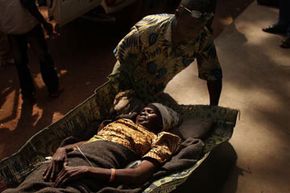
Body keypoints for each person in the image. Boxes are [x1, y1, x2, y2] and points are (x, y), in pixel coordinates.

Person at [3, 103, 182, 193]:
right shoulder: (117, 123)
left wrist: (87, 171)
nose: (144, 112)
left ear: (162, 122)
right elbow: (91, 142)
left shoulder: (160, 139)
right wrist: (62, 150)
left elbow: (139, 175)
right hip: (62, 162)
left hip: (93, 169)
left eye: (151, 112)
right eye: (144, 109)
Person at [109, 0, 223, 106]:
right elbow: (121, 64)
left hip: (153, 93)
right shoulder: (146, 31)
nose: (192, 35)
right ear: (177, 14)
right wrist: (117, 96)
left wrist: (213, 110)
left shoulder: (203, 39)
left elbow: (214, 75)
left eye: (198, 29)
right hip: (124, 87)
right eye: (190, 28)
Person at [0, 0, 61, 102]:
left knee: (21, 64)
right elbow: (28, 3)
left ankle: (28, 94)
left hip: (11, 29)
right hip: (29, 25)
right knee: (43, 57)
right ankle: (53, 89)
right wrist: (45, 23)